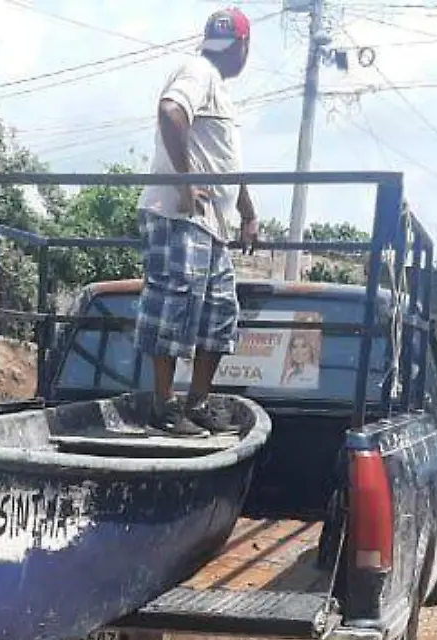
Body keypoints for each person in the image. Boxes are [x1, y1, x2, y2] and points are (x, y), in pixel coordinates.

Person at [135, 7, 260, 437]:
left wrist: (246, 210)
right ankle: (163, 406)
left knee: (220, 313)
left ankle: (198, 402)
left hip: (212, 226)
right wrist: (186, 185)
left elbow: (225, 161)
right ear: (242, 47)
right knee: (173, 305)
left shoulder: (219, 89)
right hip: (180, 216)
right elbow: (171, 112)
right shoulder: (198, 71)